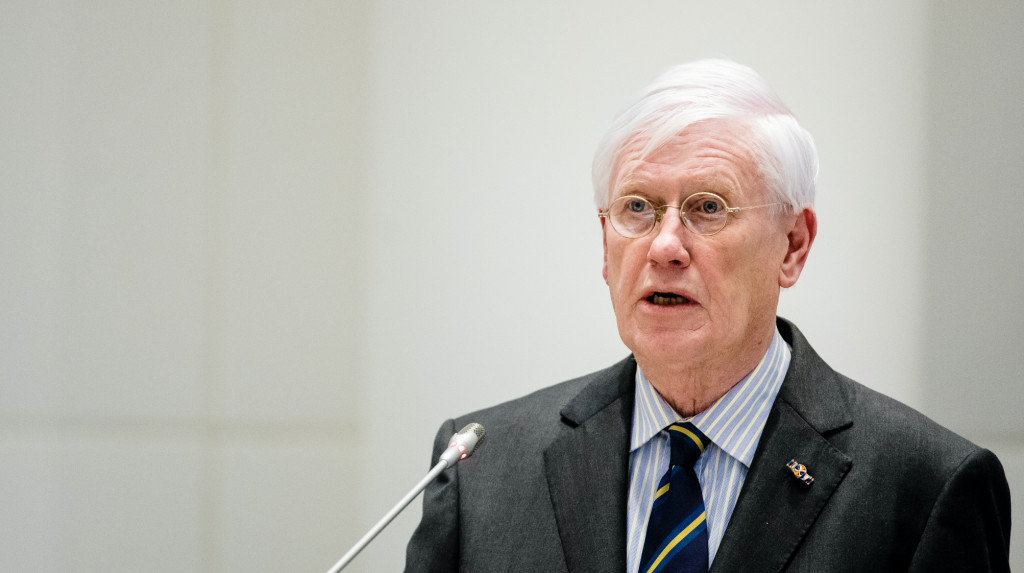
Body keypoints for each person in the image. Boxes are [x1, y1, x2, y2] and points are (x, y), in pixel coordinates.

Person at [404, 59, 1011, 572]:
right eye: (637, 207)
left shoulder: (925, 487)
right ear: (604, 245)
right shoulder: (481, 472)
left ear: (793, 246)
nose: (665, 246)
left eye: (708, 207)